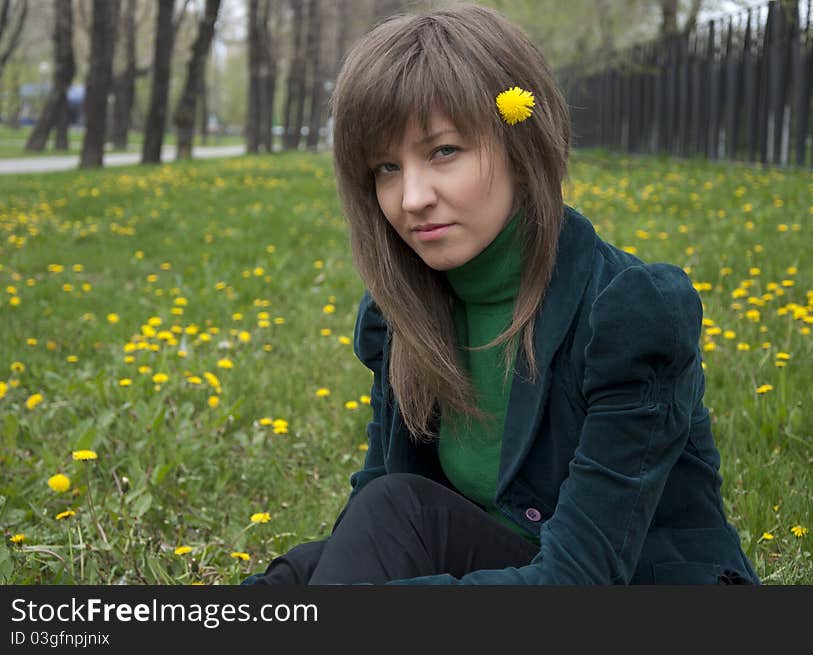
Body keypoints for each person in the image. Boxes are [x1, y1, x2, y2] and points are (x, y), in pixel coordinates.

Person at [245, 2, 759, 585]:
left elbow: (579, 579)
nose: (412, 198)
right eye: (386, 167)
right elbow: (374, 513)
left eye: (443, 151)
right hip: (504, 563)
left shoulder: (626, 314)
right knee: (294, 580)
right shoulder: (404, 317)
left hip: (627, 583)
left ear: (521, 146)